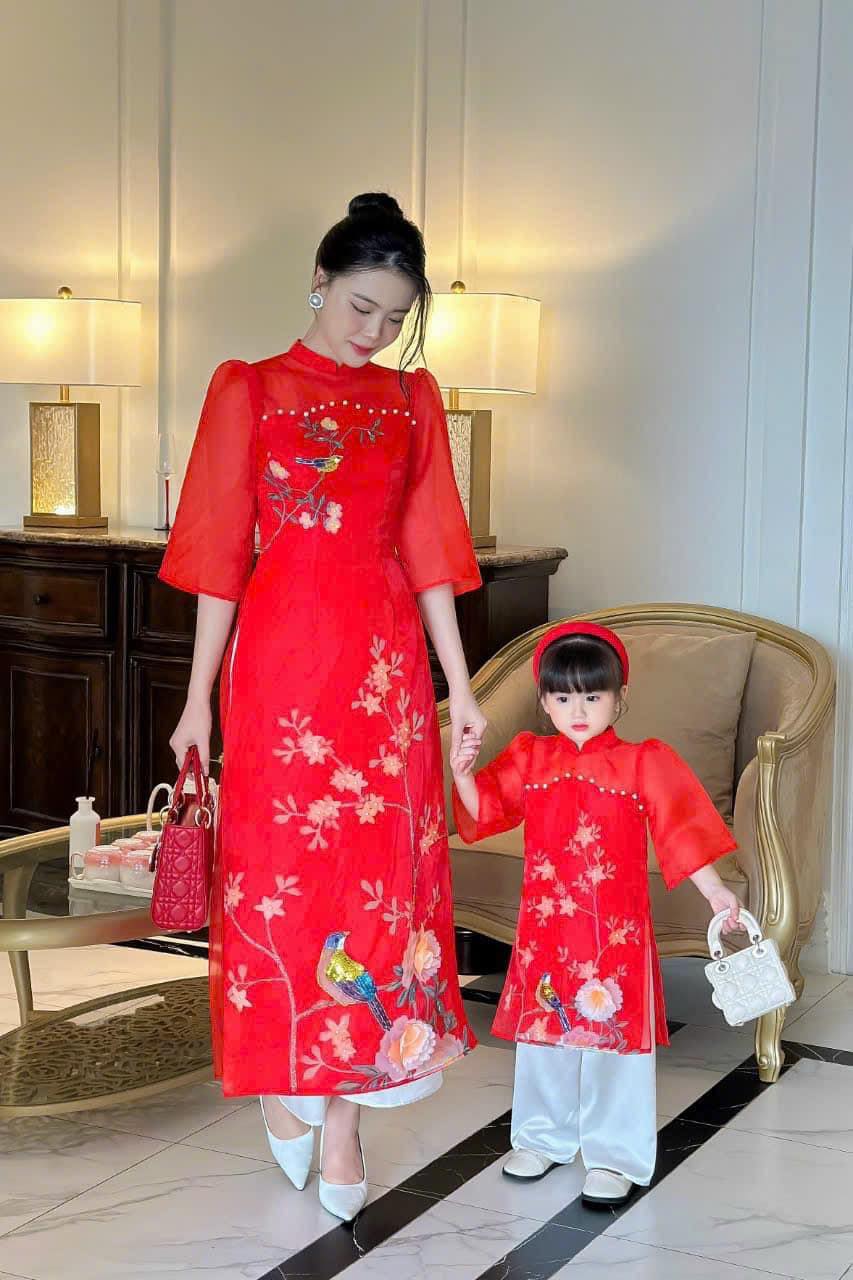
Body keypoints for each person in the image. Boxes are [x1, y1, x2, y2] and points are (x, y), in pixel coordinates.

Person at [159, 192, 487, 1221]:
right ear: (318, 281)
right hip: (281, 664)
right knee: (282, 877)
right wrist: (196, 699)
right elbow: (220, 555)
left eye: (394, 317)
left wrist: (460, 688)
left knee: (379, 884)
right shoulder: (250, 388)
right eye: (359, 307)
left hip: (384, 672)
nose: (374, 333)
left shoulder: (412, 399)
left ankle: (341, 1114)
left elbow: (430, 550)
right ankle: (285, 1073)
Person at [450, 620, 743, 1206]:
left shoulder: (645, 763)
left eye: (592, 695)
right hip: (548, 931)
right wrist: (460, 774)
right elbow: (485, 810)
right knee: (544, 1035)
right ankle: (542, 1137)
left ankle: (615, 1155)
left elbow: (681, 830)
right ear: (543, 701)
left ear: (619, 696)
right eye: (562, 698)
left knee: (615, 1041)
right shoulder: (531, 758)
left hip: (617, 934)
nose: (577, 710)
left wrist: (716, 893)